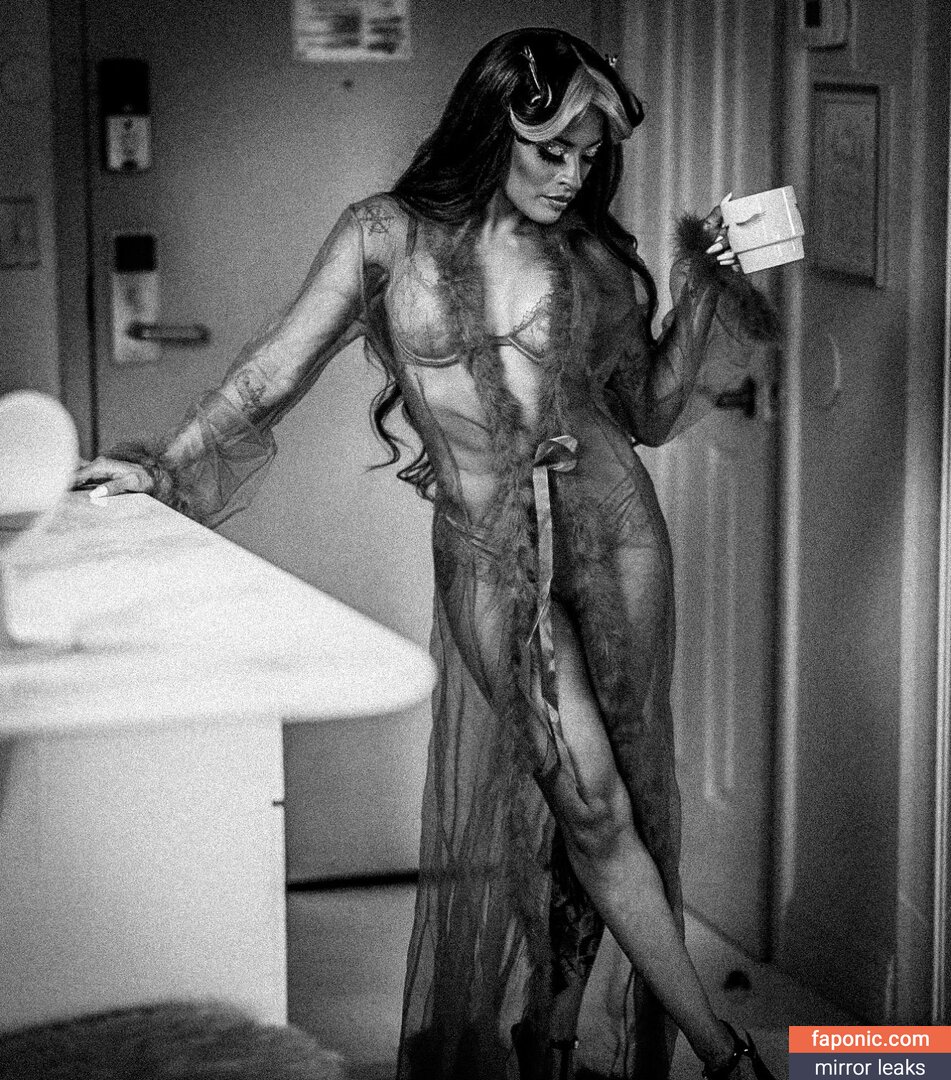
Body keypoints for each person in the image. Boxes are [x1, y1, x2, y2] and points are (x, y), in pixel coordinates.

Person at [75, 27, 781, 1080]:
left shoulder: (593, 258)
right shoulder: (383, 236)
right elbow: (272, 373)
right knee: (584, 797)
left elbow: (643, 409)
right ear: (494, 125)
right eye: (551, 149)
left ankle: (564, 1037)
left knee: (621, 800)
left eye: (590, 157)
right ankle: (720, 1055)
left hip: (617, 536)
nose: (571, 175)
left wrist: (707, 289)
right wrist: (164, 470)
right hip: (488, 553)